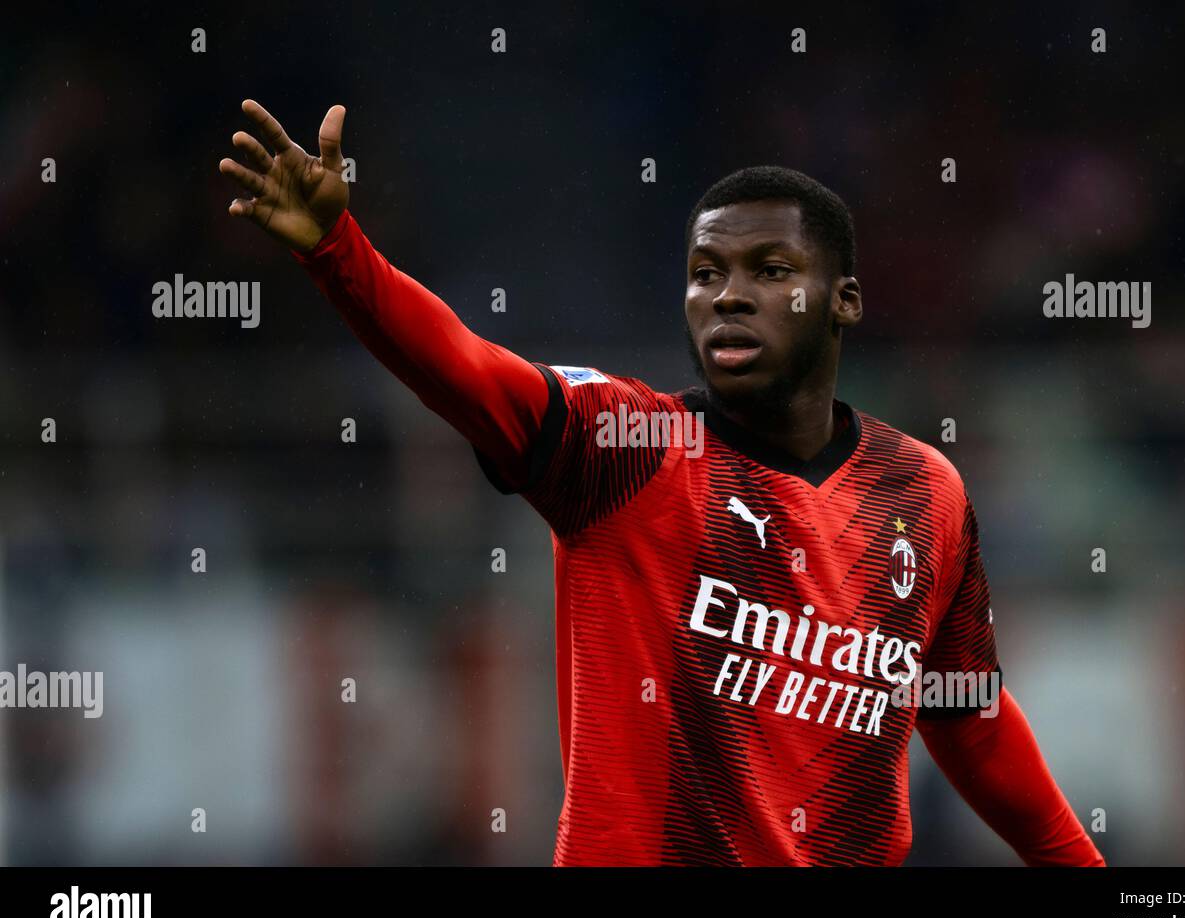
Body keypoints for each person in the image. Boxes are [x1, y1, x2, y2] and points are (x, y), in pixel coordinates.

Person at [219, 99, 1105, 866]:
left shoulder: (924, 491)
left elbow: (968, 719)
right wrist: (339, 250)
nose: (727, 295)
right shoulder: (630, 449)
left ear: (844, 300)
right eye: (706, 274)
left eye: (770, 271)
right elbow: (468, 369)